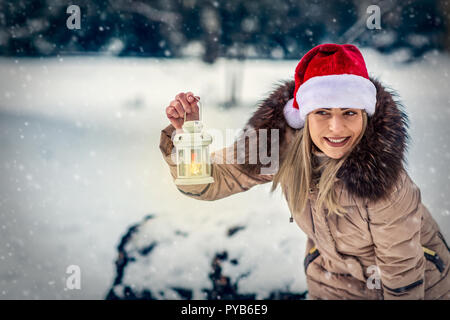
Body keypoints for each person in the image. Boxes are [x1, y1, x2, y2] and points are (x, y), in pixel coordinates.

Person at [160, 43, 450, 300]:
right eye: (322, 112)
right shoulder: (281, 148)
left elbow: (403, 280)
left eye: (349, 112)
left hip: (423, 286)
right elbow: (206, 184)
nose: (336, 128)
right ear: (303, 117)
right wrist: (189, 138)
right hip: (331, 286)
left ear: (365, 116)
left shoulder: (384, 181)